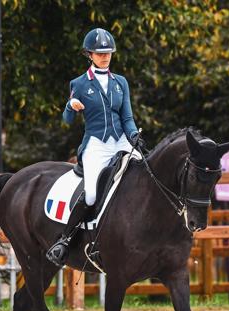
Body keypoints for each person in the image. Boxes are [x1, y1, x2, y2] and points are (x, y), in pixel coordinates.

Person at [46, 28, 141, 266]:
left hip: (121, 140)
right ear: (89, 54)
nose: (105, 56)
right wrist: (70, 107)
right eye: (99, 53)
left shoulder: (120, 82)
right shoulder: (78, 84)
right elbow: (67, 121)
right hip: (96, 144)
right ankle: (65, 241)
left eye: (108, 52)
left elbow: (127, 117)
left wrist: (133, 135)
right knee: (90, 195)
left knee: (146, 176)